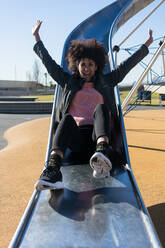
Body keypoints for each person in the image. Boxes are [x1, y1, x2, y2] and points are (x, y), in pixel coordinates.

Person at [32, 20, 153, 190]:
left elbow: (126, 66)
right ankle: (53, 170)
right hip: (77, 141)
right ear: (77, 65)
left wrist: (146, 45)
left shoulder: (106, 81)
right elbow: (50, 64)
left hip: (98, 137)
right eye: (83, 65)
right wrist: (36, 37)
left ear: (97, 66)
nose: (87, 69)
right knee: (66, 119)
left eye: (90, 65)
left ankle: (101, 155)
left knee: (101, 108)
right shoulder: (68, 82)